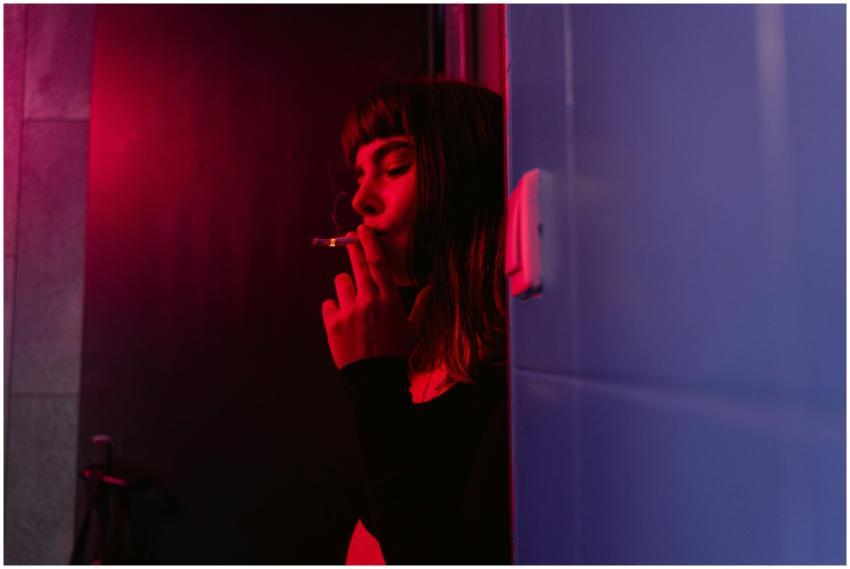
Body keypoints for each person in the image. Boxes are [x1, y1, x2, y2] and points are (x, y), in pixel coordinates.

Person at [321, 80, 510, 564]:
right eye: (360, 176)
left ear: (465, 177)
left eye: (395, 168)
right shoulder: (417, 341)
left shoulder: (508, 386)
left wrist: (371, 378)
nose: (360, 200)